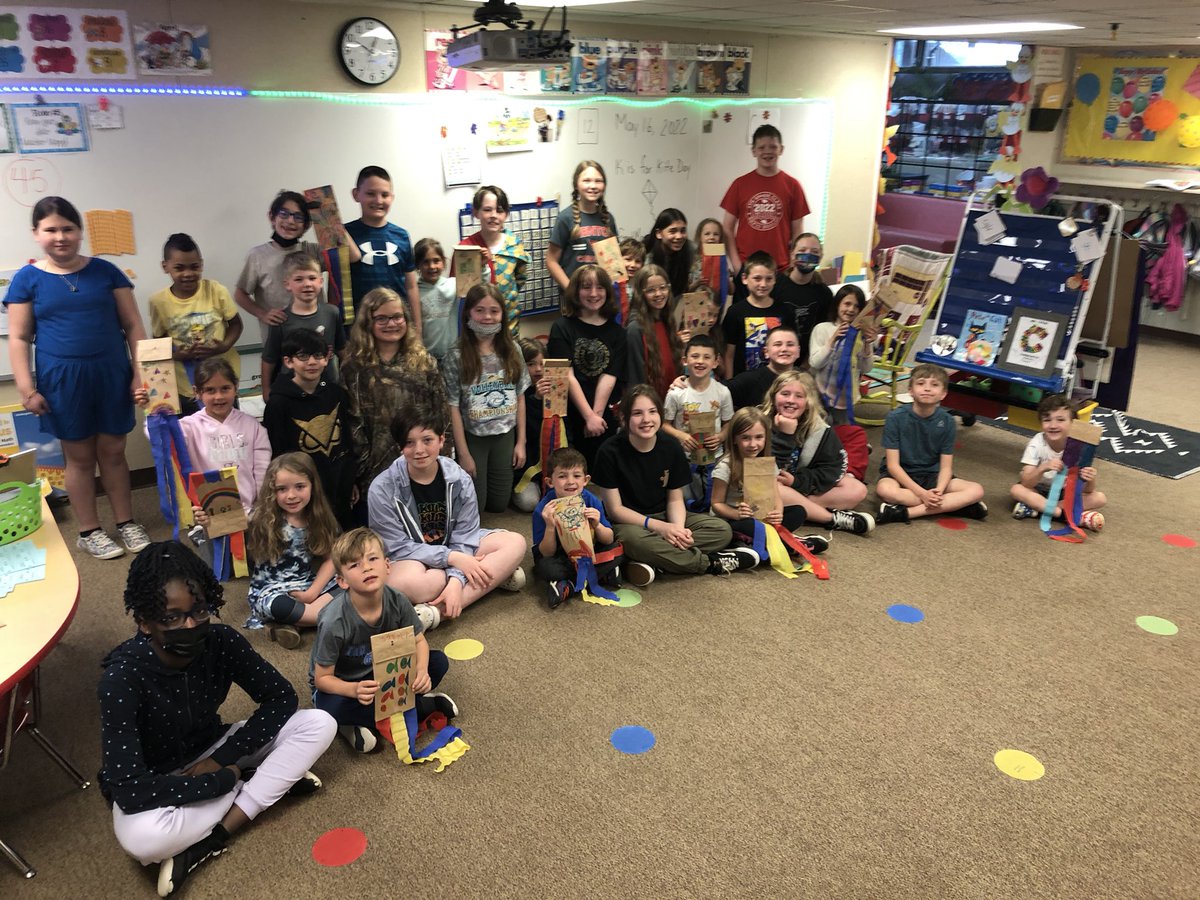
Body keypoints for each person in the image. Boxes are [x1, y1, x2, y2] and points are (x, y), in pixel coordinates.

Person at [98, 542, 335, 897]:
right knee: (144, 841)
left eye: (199, 611)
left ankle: (215, 836)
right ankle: (262, 783)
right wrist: (226, 778)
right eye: (172, 618)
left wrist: (223, 759)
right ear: (144, 623)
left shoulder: (221, 641)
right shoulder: (121, 679)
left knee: (319, 723)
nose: (190, 624)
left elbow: (281, 697)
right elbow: (130, 789)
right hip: (159, 778)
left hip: (216, 747)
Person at [5, 196, 151, 559]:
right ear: (36, 233)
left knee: (113, 452)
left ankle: (126, 522)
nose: (60, 237)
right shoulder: (27, 279)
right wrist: (26, 388)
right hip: (63, 381)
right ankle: (89, 530)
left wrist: (140, 373)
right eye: (51, 230)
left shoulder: (106, 272)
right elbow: (19, 337)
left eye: (68, 228)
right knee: (80, 457)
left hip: (111, 373)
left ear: (80, 231)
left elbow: (133, 325)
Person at [368, 406, 528, 630]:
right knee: (407, 582)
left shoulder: (460, 479)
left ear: (441, 440)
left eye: (427, 440)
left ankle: (437, 612)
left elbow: (466, 534)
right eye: (409, 443)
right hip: (414, 558)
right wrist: (452, 559)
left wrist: (455, 580)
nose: (419, 450)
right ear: (400, 448)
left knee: (515, 543)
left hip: (457, 547)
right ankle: (494, 576)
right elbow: (396, 547)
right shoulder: (381, 489)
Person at [310, 528, 458, 753]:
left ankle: (377, 716)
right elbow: (322, 679)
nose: (366, 567)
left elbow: (419, 642)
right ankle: (419, 706)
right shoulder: (334, 621)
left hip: (385, 674)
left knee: (438, 662)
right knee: (327, 707)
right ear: (342, 581)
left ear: (388, 566)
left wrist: (421, 672)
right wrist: (353, 689)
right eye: (355, 565)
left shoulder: (397, 600)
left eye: (372, 559)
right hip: (344, 683)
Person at [590, 384, 754, 588]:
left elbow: (675, 499)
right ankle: (710, 563)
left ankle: (656, 560)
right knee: (633, 541)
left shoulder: (670, 446)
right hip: (629, 524)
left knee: (721, 530)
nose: (646, 419)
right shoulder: (609, 451)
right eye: (638, 413)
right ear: (624, 418)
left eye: (652, 411)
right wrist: (660, 528)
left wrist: (677, 529)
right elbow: (615, 511)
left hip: (665, 515)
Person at [342, 286, 448, 502]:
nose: (391, 324)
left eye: (397, 317)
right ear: (367, 323)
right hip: (376, 468)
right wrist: (362, 469)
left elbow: (441, 413)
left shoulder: (424, 362)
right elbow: (352, 424)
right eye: (382, 318)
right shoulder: (354, 368)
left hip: (423, 460)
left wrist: (443, 457)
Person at [233, 453, 340, 646]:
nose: (291, 496)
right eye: (282, 489)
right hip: (272, 592)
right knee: (279, 606)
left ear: (312, 486)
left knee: (349, 583)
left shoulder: (318, 518)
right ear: (271, 491)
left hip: (307, 586)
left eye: (300, 487)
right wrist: (207, 520)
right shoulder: (260, 517)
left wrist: (312, 593)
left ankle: (297, 621)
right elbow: (224, 524)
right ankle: (330, 617)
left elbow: (331, 559)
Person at [443, 284, 530, 514]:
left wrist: (521, 442)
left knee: (499, 505)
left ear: (502, 314)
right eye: (479, 310)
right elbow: (452, 407)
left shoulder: (513, 350)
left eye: (494, 311)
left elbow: (520, 396)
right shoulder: (456, 355)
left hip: (505, 434)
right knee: (477, 507)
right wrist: (463, 454)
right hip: (474, 436)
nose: (487, 317)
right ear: (468, 314)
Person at [262, 329, 356, 529]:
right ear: (288, 361)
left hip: (339, 484)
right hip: (303, 491)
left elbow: (346, 441)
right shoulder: (278, 403)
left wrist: (352, 479)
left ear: (327, 359)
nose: (312, 362)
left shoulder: (336, 393)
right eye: (303, 356)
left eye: (318, 356)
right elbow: (278, 453)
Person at [762, 371, 874, 535]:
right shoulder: (760, 422)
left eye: (799, 396)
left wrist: (797, 481)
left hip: (799, 485)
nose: (791, 400)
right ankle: (830, 518)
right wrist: (785, 436)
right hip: (769, 486)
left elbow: (834, 468)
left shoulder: (820, 429)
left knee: (857, 489)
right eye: (785, 394)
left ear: (808, 402)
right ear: (773, 396)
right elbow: (760, 469)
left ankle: (800, 509)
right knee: (775, 489)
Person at [235, 190, 356, 340]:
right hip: (279, 339)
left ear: (306, 225)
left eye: (298, 217)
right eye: (284, 214)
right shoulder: (257, 255)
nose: (291, 221)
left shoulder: (313, 251)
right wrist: (263, 314)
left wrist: (330, 217)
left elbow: (352, 256)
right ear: (272, 217)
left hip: (317, 337)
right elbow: (240, 294)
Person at [876, 363, 988, 524]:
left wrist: (939, 491)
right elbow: (893, 466)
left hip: (932, 475)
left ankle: (905, 513)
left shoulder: (947, 421)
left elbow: (946, 467)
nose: (927, 389)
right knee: (885, 490)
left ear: (943, 394)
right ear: (910, 390)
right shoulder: (895, 418)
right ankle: (956, 506)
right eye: (921, 383)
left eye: (934, 385)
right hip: (900, 474)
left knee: (976, 490)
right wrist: (923, 494)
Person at [710, 407, 828, 557]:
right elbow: (716, 503)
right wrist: (736, 513)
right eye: (745, 438)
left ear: (766, 437)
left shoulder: (768, 464)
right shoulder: (725, 467)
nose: (753, 444)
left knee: (799, 512)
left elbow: (776, 496)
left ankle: (765, 543)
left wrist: (778, 512)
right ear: (734, 439)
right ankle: (788, 544)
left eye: (759, 437)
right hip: (734, 520)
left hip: (762, 517)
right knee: (749, 525)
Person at [149, 232, 244, 417]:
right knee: (191, 433)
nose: (188, 274)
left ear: (201, 264)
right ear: (165, 267)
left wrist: (223, 347)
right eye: (179, 268)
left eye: (194, 267)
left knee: (228, 429)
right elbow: (159, 342)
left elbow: (236, 325)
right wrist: (179, 355)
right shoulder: (158, 302)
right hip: (186, 386)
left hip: (222, 382)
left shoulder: (216, 290)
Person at [162, 358, 270, 516]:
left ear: (235, 387)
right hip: (210, 513)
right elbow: (158, 435)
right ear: (197, 392)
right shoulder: (189, 427)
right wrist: (153, 408)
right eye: (210, 390)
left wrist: (262, 505)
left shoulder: (252, 426)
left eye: (225, 388)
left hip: (250, 510)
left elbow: (262, 469)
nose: (218, 396)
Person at [547, 264, 628, 467]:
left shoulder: (618, 332)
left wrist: (595, 417)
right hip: (570, 415)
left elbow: (610, 376)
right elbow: (566, 376)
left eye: (600, 287)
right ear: (576, 291)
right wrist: (587, 416)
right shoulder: (561, 327)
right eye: (586, 287)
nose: (593, 293)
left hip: (603, 418)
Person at [532, 447, 621, 609]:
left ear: (586, 480)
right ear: (550, 482)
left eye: (577, 476)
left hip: (589, 551)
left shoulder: (591, 500)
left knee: (617, 548)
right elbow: (546, 553)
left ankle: (566, 584)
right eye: (562, 476)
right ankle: (599, 576)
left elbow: (608, 539)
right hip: (561, 555)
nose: (570, 481)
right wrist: (550, 527)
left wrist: (597, 525)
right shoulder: (543, 509)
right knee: (544, 566)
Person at [720, 123, 809, 276]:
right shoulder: (739, 184)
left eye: (773, 147)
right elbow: (727, 228)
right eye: (761, 147)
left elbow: (798, 231)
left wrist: (792, 264)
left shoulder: (793, 185)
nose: (767, 151)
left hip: (781, 270)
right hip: (747, 269)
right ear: (753, 151)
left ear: (781, 149)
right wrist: (736, 265)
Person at [345, 165, 420, 340]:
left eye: (385, 195)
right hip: (359, 327)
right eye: (370, 193)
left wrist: (417, 329)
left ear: (392, 197)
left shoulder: (401, 236)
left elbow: (411, 286)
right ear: (356, 194)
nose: (378, 200)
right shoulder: (343, 234)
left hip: (395, 325)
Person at [1010, 394, 1107, 529]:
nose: (1053, 425)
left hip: (1063, 493)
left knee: (1099, 498)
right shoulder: (1037, 443)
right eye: (1047, 420)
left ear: (1073, 423)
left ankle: (1038, 509)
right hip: (1038, 489)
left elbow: (1087, 490)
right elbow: (1026, 482)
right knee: (1017, 490)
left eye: (1060, 420)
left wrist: (1090, 479)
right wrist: (1043, 468)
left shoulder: (1080, 446)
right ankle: (1065, 515)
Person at [259, 254, 347, 401]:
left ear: (321, 281)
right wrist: (266, 389)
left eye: (312, 278)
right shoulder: (281, 319)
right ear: (287, 284)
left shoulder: (332, 313)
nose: (307, 284)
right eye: (299, 279)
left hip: (328, 385)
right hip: (292, 391)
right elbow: (269, 358)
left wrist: (350, 379)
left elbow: (342, 349)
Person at [455, 185, 530, 338]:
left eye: (499, 210)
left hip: (509, 326)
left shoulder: (514, 245)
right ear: (476, 212)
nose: (493, 215)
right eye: (487, 210)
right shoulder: (466, 249)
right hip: (477, 329)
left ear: (506, 214)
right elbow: (461, 293)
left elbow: (520, 279)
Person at [808, 284, 877, 425]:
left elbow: (866, 368)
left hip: (845, 399)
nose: (851, 309)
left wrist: (867, 344)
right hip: (819, 394)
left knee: (841, 431)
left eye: (856, 306)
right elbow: (815, 363)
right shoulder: (822, 329)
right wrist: (833, 340)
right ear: (837, 304)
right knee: (819, 428)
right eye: (847, 304)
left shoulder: (861, 334)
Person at [546, 160, 619, 290]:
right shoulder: (565, 218)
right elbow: (551, 261)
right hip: (574, 295)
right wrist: (570, 290)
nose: (593, 186)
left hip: (600, 294)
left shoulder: (608, 219)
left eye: (598, 181)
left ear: (604, 185)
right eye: (586, 181)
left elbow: (613, 265)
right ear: (576, 185)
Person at [722, 251, 798, 377]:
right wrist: (729, 383)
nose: (763, 284)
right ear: (744, 278)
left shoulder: (785, 311)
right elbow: (729, 354)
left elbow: (791, 350)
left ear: (775, 279)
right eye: (757, 278)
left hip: (777, 380)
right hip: (743, 381)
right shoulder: (735, 312)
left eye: (768, 279)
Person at [662, 334, 733, 463]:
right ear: (685, 361)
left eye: (707, 357)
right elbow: (664, 424)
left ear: (716, 362)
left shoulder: (723, 392)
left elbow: (728, 423)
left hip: (715, 457)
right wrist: (680, 435)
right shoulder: (676, 393)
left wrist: (721, 437)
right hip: (684, 458)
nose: (700, 361)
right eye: (695, 356)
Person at [625, 264, 681, 400]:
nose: (658, 294)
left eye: (662, 288)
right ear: (640, 294)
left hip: (671, 401)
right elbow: (635, 380)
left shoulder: (667, 320)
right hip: (649, 404)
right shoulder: (635, 329)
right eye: (651, 290)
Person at [772, 233, 834, 357]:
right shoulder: (775, 285)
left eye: (814, 252)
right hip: (776, 355)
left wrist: (807, 362)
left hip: (807, 359)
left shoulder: (824, 293)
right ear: (792, 255)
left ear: (820, 257)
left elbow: (822, 332)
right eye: (802, 250)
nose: (808, 255)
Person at [727, 325, 800, 409]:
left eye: (790, 345)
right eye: (778, 344)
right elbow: (718, 392)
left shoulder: (806, 379)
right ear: (766, 352)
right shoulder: (749, 380)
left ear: (798, 351)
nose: (784, 349)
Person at [511, 338, 546, 514]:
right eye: (531, 364)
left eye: (542, 364)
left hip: (547, 466)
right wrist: (536, 400)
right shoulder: (517, 394)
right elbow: (530, 431)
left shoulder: (554, 390)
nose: (538, 369)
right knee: (529, 502)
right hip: (525, 469)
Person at [414, 237, 457, 365]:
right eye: (425, 262)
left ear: (443, 262)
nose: (432, 266)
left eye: (436, 261)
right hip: (427, 358)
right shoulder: (414, 292)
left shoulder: (454, 285)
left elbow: (478, 288)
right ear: (417, 265)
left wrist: (482, 266)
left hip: (453, 356)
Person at [643, 207, 699, 297]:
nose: (679, 236)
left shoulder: (690, 250)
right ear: (659, 233)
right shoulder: (647, 256)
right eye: (672, 231)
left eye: (683, 231)